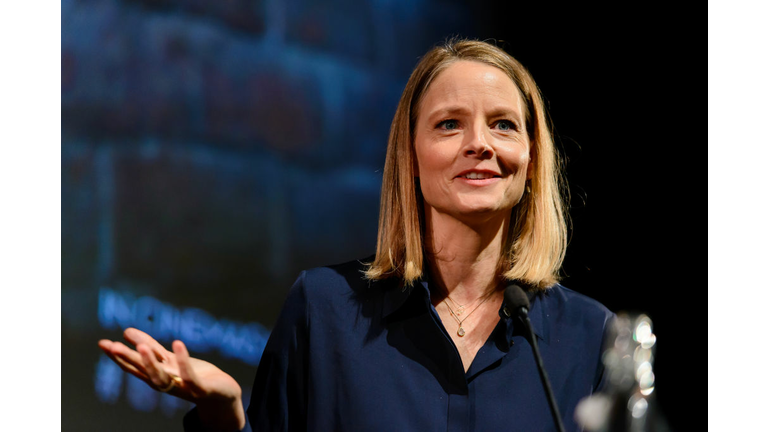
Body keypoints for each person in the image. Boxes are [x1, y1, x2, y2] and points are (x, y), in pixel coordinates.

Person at [98, 38, 614, 431]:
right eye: (449, 124)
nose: (479, 143)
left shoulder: (591, 338)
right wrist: (224, 412)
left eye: (503, 124)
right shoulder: (323, 310)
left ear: (531, 158)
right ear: (410, 157)